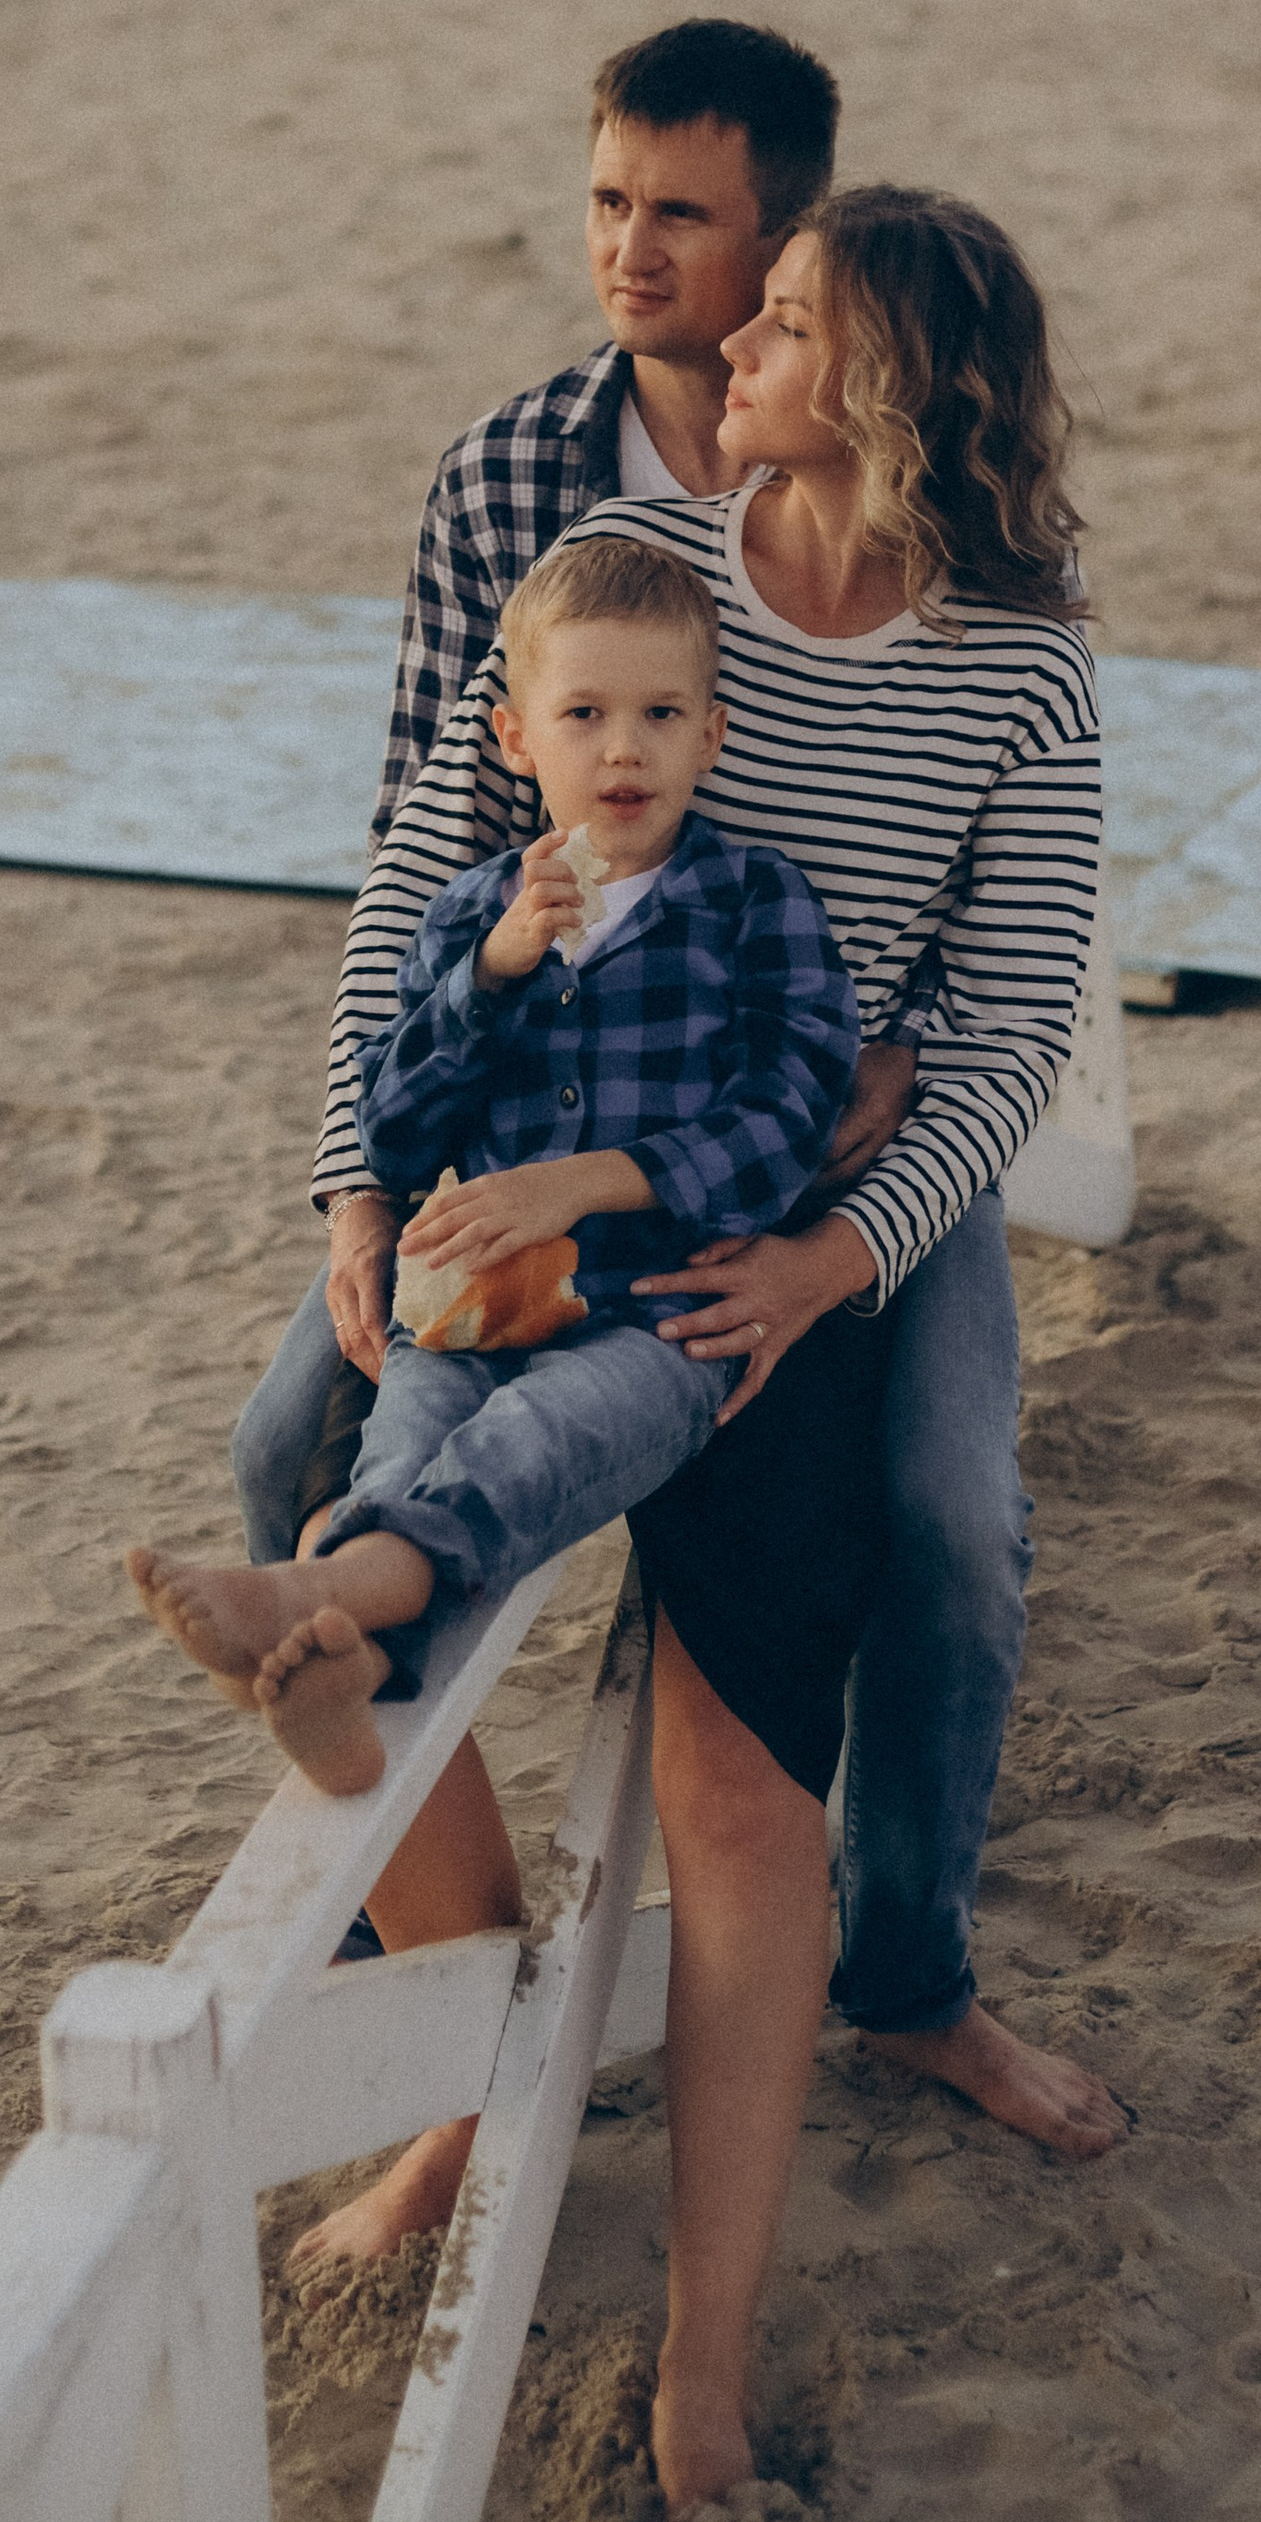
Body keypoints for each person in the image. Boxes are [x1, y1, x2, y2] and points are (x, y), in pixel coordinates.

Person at [291, 189, 1126, 2504]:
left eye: (772, 313)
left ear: (879, 388)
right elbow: (433, 876)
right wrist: (353, 1180)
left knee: (949, 1528)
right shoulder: (639, 563)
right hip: (523, 1138)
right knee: (291, 1431)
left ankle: (914, 1979)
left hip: (821, 1194)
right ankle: (465, 2070)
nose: (711, 325)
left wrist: (827, 1246)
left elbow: (992, 1045)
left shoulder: (1018, 668)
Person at [128, 537, 858, 1792]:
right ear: (518, 740)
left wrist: (586, 1181)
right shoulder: (465, 916)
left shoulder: (756, 906)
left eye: (660, 715)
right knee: (404, 1442)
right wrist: (492, 978)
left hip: (657, 1321)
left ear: (712, 736)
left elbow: (787, 1121)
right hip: (458, 1313)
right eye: (585, 715)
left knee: (535, 1437)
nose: (623, 749)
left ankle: (330, 1588)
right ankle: (349, 1684)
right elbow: (397, 1129)